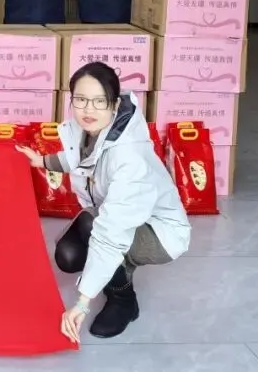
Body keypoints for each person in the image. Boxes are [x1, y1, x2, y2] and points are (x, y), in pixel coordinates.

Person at [16, 62, 190, 343]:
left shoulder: (129, 157)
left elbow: (110, 233)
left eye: (99, 101)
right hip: (118, 217)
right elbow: (78, 158)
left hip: (159, 233)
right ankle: (114, 270)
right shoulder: (90, 129)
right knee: (69, 255)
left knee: (93, 228)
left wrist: (82, 304)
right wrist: (42, 161)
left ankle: (124, 301)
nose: (89, 109)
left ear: (114, 105)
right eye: (81, 100)